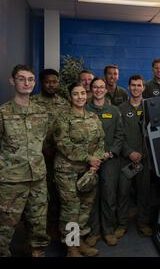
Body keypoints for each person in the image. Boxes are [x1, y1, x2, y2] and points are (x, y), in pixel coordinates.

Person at [0, 65, 49, 257]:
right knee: (5, 225)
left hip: (37, 177)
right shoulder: (3, 113)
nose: (26, 83)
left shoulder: (41, 112)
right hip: (12, 180)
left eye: (30, 79)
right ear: (12, 81)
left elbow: (44, 141)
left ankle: (38, 251)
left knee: (38, 222)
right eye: (21, 79)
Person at [53, 82, 106, 257]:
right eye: (76, 94)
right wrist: (88, 158)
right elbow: (63, 144)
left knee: (85, 206)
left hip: (88, 171)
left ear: (87, 94)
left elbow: (100, 140)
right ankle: (72, 248)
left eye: (83, 93)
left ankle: (80, 241)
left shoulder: (93, 117)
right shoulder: (62, 118)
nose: (80, 97)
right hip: (67, 171)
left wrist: (95, 160)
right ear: (70, 96)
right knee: (71, 209)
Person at [85, 78, 124, 247]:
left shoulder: (114, 111)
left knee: (109, 196)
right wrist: (89, 157)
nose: (99, 90)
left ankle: (108, 231)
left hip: (109, 160)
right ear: (91, 89)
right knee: (91, 197)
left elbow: (119, 135)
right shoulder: (84, 109)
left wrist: (110, 152)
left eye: (101, 87)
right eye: (95, 87)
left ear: (106, 90)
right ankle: (94, 232)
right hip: (90, 161)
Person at [31, 69, 69, 240]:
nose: (51, 85)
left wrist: (55, 148)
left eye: (54, 81)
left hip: (59, 156)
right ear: (41, 82)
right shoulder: (32, 103)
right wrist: (42, 149)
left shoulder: (64, 104)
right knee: (38, 195)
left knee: (56, 193)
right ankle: (36, 232)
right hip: (36, 158)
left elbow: (68, 130)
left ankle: (54, 226)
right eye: (48, 81)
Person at [117, 75, 156, 239]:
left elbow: (154, 133)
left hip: (145, 159)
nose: (136, 88)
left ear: (143, 87)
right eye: (133, 85)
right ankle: (121, 224)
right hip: (126, 159)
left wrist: (142, 153)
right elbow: (118, 134)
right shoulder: (120, 108)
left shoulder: (150, 107)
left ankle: (143, 223)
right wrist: (129, 152)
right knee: (123, 193)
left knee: (144, 193)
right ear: (128, 86)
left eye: (139, 85)